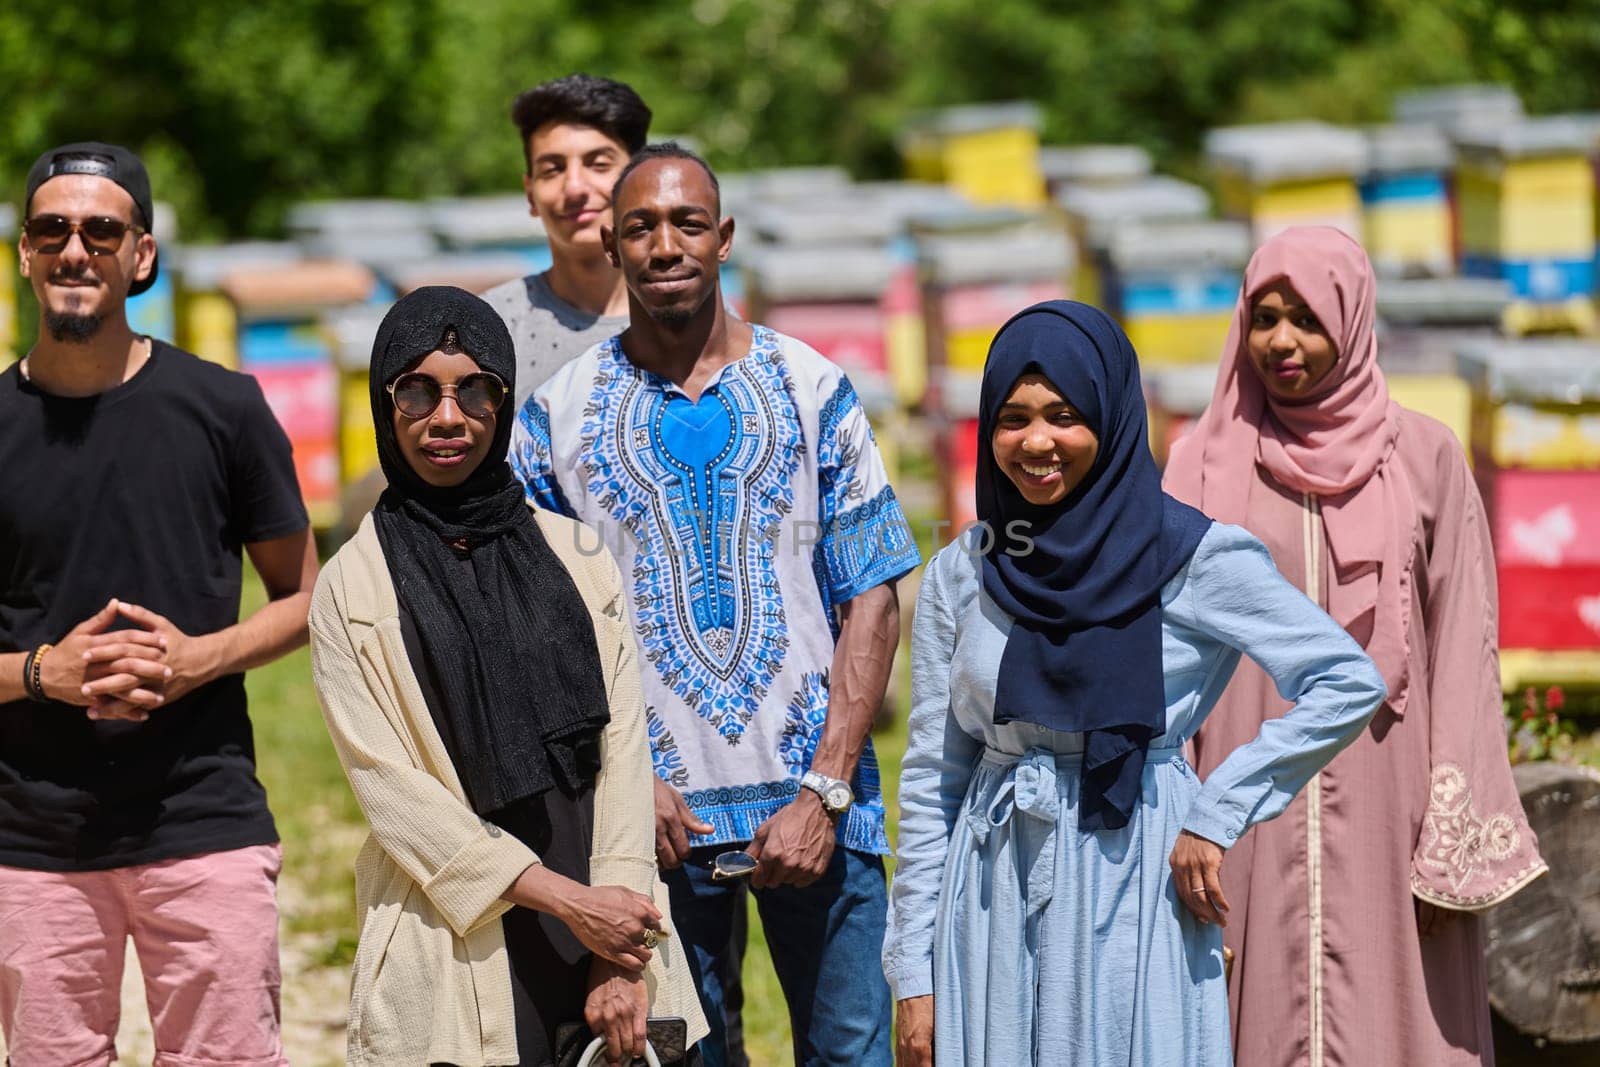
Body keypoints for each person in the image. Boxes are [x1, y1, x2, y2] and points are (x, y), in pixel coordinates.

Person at [883, 300, 1389, 1066]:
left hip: (1136, 879)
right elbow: (932, 779)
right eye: (1012, 419)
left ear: (1113, 419)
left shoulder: (1194, 558)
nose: (1037, 442)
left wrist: (1219, 811)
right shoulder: (965, 570)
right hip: (991, 888)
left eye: (1064, 414)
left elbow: (1345, 680)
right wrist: (912, 971)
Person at [511, 143, 920, 1067]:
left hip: (818, 815)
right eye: (640, 228)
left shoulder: (815, 387)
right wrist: (622, 785)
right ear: (612, 250)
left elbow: (874, 598)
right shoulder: (555, 419)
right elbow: (543, 630)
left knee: (850, 1053)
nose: (665, 245)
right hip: (649, 828)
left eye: (687, 223)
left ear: (723, 237)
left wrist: (826, 786)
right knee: (678, 1056)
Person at [1163, 227, 1546, 1066]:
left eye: (1307, 317)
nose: (1283, 342)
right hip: (1239, 809)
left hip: (1392, 805)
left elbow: (1464, 652)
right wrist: (1181, 815)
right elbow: (1166, 664)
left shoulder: (1425, 458)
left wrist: (1453, 832)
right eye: (1265, 317)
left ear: (1353, 315)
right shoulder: (1199, 462)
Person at [308, 287, 707, 1066]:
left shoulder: (576, 555)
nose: (447, 418)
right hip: (457, 933)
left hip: (607, 926)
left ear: (503, 400)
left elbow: (623, 752)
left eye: (474, 390)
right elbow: (396, 795)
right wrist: (567, 902)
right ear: (384, 405)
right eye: (417, 391)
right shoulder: (352, 587)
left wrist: (617, 946)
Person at [0, 142, 317, 1066]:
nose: (75, 250)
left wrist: (198, 659)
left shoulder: (223, 408)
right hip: (32, 840)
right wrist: (39, 672)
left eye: (102, 230)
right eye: (51, 229)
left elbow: (305, 597)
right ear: (23, 253)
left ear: (141, 255)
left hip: (203, 821)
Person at [483, 73, 650, 411]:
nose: (575, 188)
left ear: (640, 179)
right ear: (530, 194)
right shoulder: (489, 329)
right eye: (553, 169)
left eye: (598, 164)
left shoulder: (697, 321)